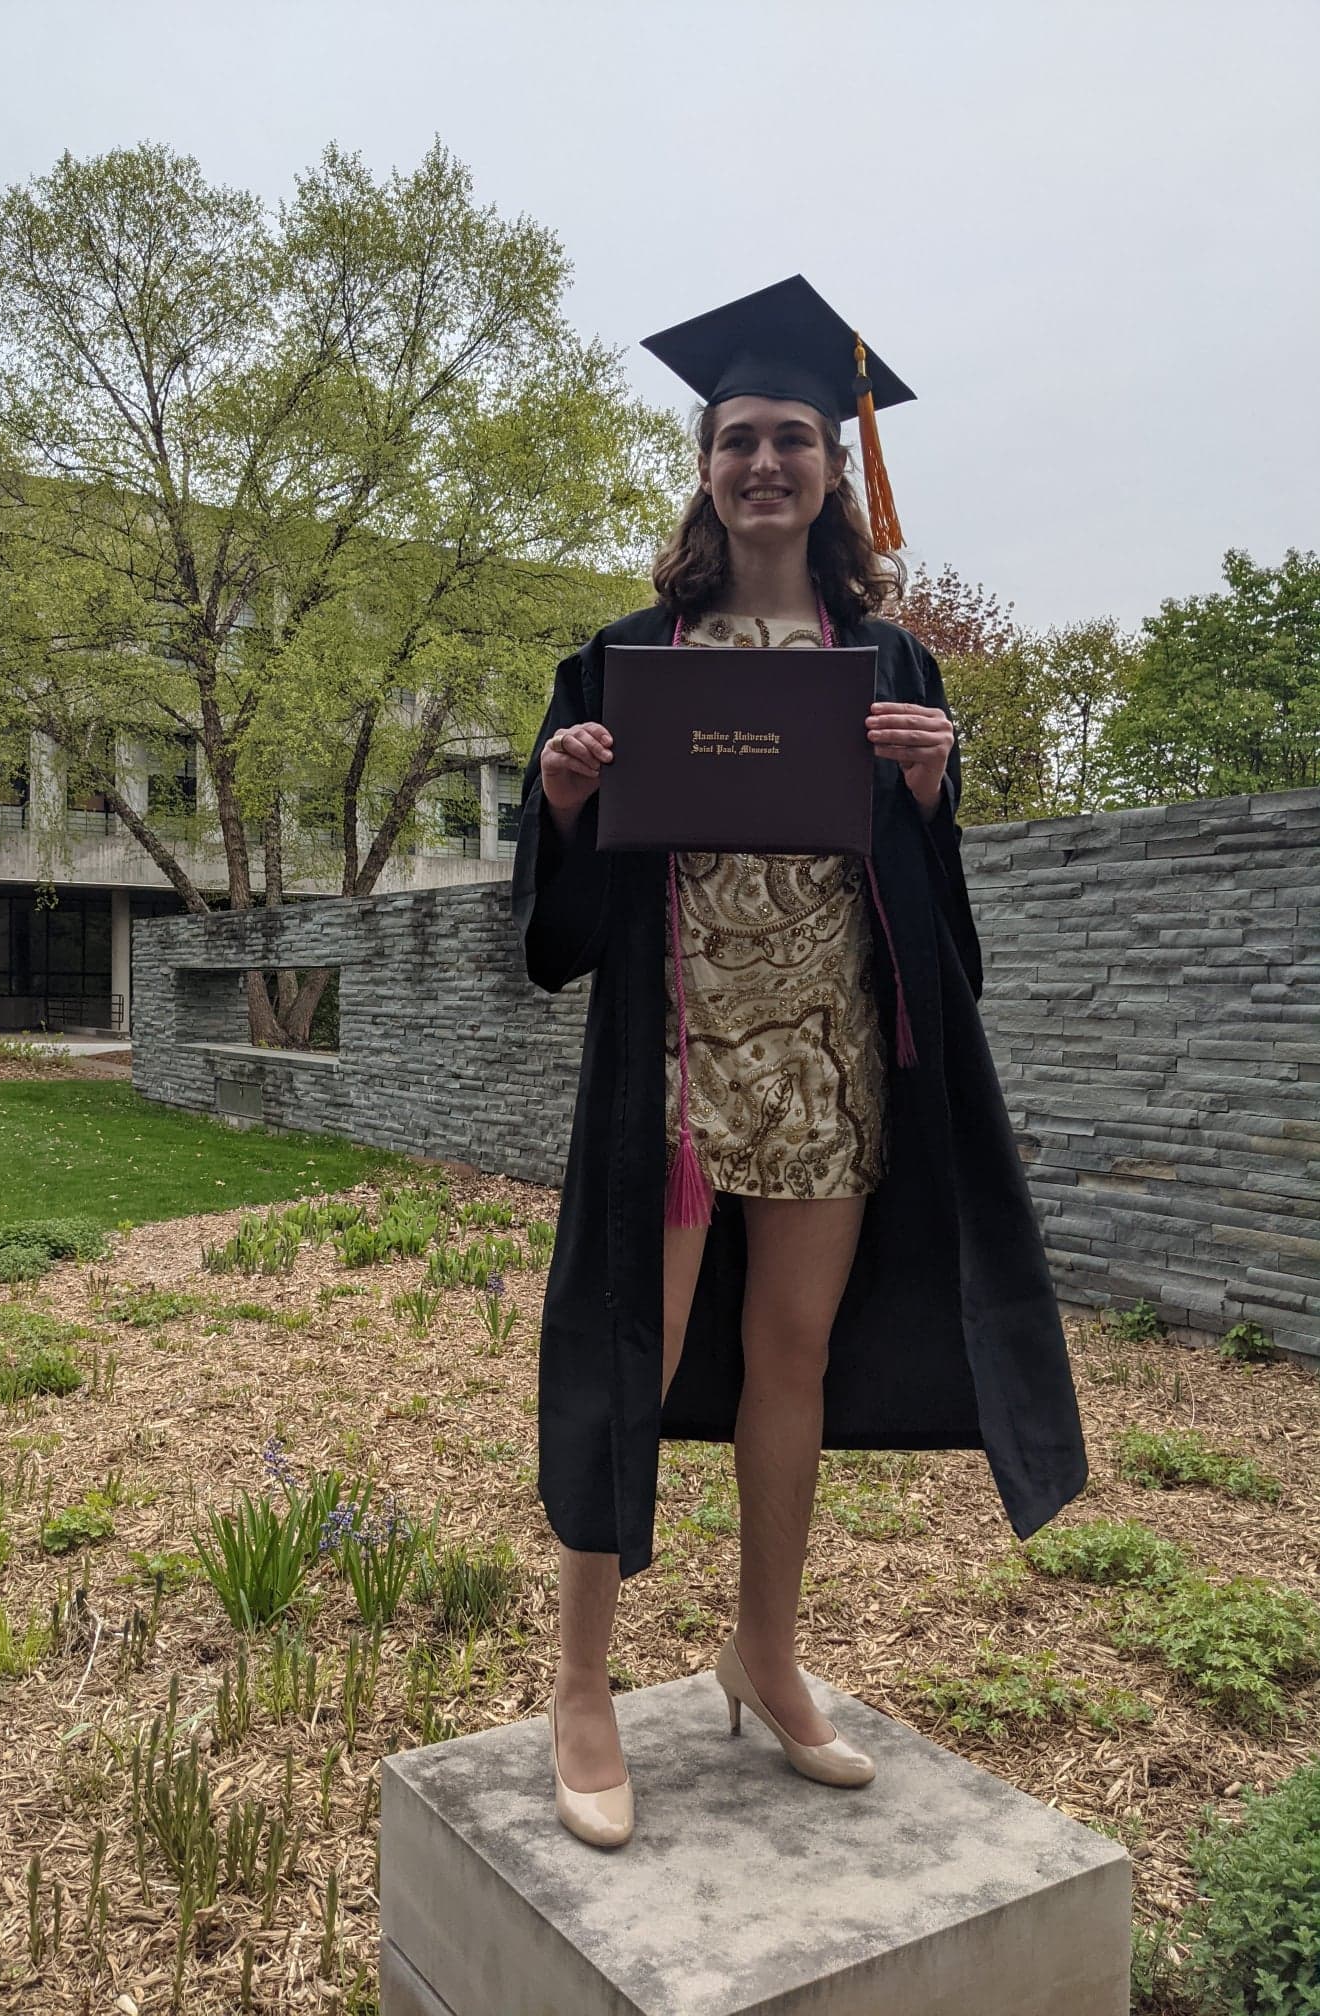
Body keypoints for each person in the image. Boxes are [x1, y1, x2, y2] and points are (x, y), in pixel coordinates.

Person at [511, 276, 1089, 1850]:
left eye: (791, 439)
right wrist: (560, 801)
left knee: (795, 1361)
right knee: (634, 1347)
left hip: (831, 1066)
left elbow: (945, 934)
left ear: (832, 468)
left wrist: (927, 793)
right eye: (736, 439)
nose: (763, 462)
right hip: (680, 1074)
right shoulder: (622, 662)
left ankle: (763, 1656)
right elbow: (557, 937)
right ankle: (581, 1685)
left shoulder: (893, 664)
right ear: (702, 467)